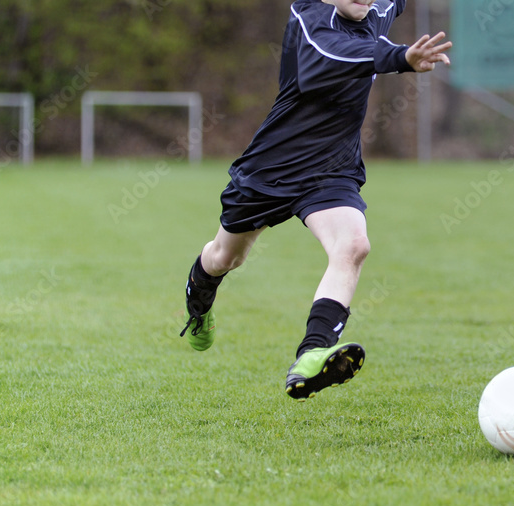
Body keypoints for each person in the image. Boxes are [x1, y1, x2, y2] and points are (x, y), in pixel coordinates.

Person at [179, 0, 451, 400]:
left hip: (330, 172)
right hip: (271, 169)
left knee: (354, 245)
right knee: (226, 257)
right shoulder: (310, 20)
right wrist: (400, 57)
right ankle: (199, 305)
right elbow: (337, 52)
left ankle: (313, 353)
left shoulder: (373, 10)